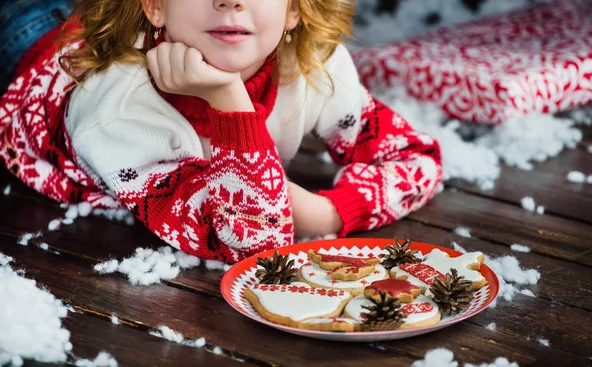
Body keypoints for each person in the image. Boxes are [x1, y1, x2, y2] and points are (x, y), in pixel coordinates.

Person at [0, 0, 442, 263]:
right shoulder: (116, 113)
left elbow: (418, 160)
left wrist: (329, 212)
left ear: (293, 9)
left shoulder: (316, 68)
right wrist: (231, 102)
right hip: (22, 49)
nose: (231, 0)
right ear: (155, 5)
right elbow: (250, 244)